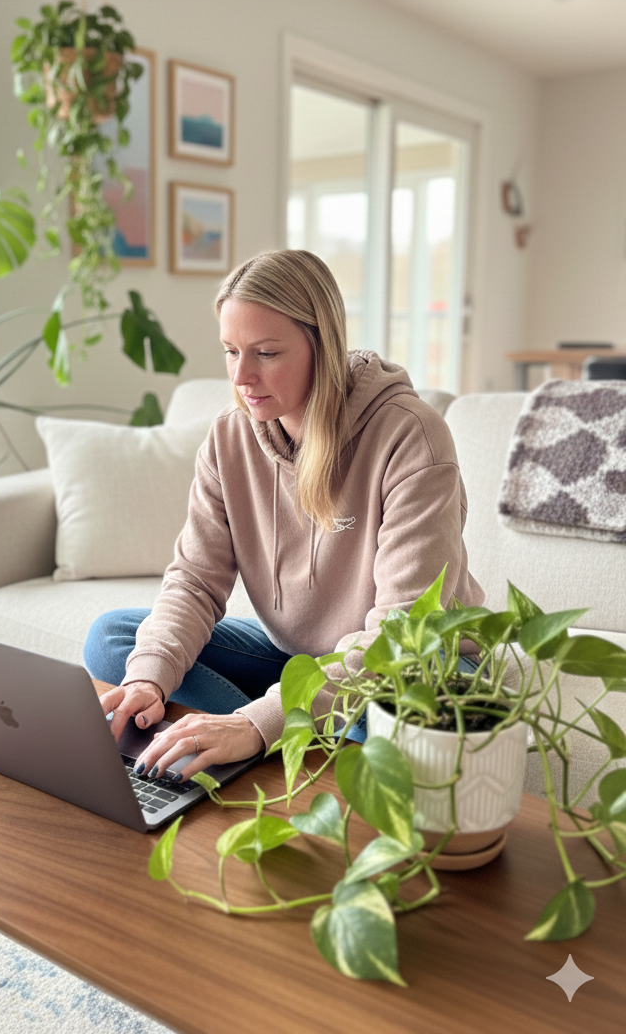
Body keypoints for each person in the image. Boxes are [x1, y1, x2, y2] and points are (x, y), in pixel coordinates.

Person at [84, 249, 483, 783]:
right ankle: (274, 728)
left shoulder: (410, 435)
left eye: (266, 353)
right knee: (116, 641)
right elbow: (195, 582)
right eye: (230, 351)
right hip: (300, 660)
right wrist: (150, 682)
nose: (243, 376)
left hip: (416, 668)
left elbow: (403, 632)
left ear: (323, 344)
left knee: (402, 718)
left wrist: (256, 723)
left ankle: (258, 730)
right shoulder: (229, 437)